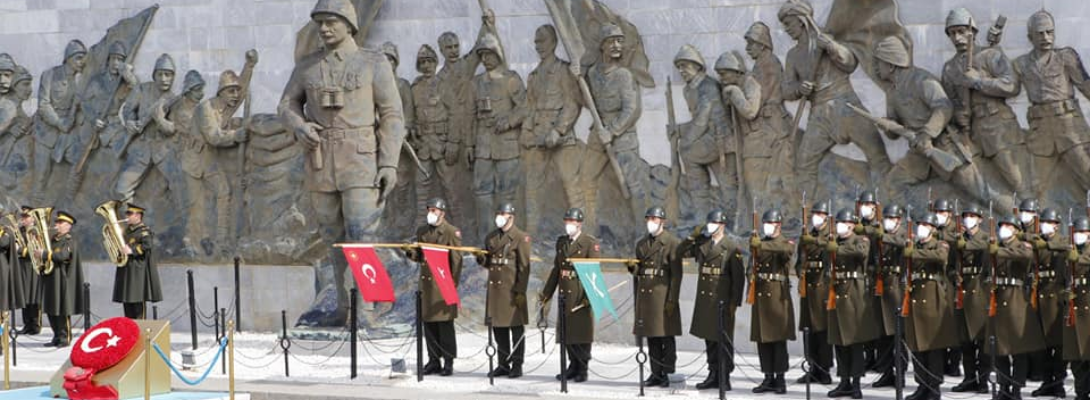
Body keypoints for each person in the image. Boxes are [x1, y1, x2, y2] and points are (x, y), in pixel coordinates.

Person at [279, 0, 406, 326]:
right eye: (319, 22)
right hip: (322, 161)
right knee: (334, 240)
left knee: (362, 235)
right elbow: (287, 104)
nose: (323, 28)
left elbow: (392, 115)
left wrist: (389, 163)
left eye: (330, 21)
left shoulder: (373, 63)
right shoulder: (308, 66)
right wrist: (299, 126)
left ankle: (366, 309)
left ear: (349, 24)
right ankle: (344, 307)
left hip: (361, 161)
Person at [779, 0, 892, 197]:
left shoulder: (829, 38)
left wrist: (831, 46)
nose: (786, 29)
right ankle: (804, 213)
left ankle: (889, 206)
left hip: (847, 104)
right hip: (820, 114)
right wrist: (799, 88)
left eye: (788, 23)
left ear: (801, 21)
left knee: (877, 155)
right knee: (804, 163)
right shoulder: (793, 55)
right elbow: (787, 90)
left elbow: (849, 63)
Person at [941, 8, 1029, 195]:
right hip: (971, 132)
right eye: (953, 33)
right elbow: (952, 102)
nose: (957, 38)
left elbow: (1012, 86)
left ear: (972, 31)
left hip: (998, 127)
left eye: (962, 31)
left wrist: (978, 81)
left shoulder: (990, 55)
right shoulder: (949, 68)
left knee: (1016, 181)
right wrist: (959, 118)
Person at [1013, 10, 1090, 197]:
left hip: (1069, 127)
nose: (1046, 37)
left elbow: (1086, 86)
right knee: (1035, 186)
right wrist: (978, 81)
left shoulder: (1065, 57)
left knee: (1086, 172)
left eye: (1050, 32)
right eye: (1040, 33)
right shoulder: (1021, 64)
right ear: (1030, 37)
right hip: (1040, 132)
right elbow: (1009, 89)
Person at [582, 24, 649, 231]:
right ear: (602, 46)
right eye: (611, 41)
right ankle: (589, 231)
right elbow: (586, 100)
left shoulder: (624, 75)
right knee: (586, 179)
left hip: (622, 137)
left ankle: (642, 233)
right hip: (598, 135)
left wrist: (612, 131)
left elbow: (631, 110)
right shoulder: (593, 73)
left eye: (620, 41)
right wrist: (577, 74)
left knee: (634, 187)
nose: (616, 45)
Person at [521, 24, 583, 236]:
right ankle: (532, 236)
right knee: (532, 188)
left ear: (554, 42)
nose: (539, 46)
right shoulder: (534, 76)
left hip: (562, 140)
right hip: (539, 139)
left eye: (543, 41)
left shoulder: (564, 70)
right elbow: (529, 108)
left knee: (571, 186)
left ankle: (580, 235)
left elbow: (573, 104)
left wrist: (558, 131)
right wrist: (527, 133)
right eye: (537, 42)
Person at [469, 32, 525, 241]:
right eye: (482, 55)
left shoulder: (511, 80)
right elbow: (470, 116)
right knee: (481, 193)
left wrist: (508, 121)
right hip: (483, 146)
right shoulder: (476, 83)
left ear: (498, 54)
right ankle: (485, 239)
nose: (485, 59)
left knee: (506, 194)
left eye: (489, 54)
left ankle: (508, 238)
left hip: (507, 146)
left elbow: (525, 107)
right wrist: (468, 145)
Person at [682, 209, 744, 391]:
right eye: (709, 222)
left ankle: (724, 376)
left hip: (722, 301)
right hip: (706, 301)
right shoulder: (703, 244)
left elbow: (738, 279)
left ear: (722, 225)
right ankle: (713, 374)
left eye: (714, 223)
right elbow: (680, 253)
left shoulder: (731, 248)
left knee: (723, 340)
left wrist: (734, 303)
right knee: (709, 338)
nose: (711, 226)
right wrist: (692, 237)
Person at [988, 215, 1046, 400]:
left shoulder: (1022, 245)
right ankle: (1003, 386)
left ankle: (1016, 389)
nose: (1004, 228)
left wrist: (999, 252)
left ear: (1015, 229)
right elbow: (984, 271)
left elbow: (1026, 256)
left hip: (1016, 300)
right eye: (1002, 225)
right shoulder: (993, 246)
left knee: (1018, 350)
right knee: (999, 350)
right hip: (997, 299)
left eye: (1008, 226)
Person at [540, 208, 601, 383]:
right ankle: (572, 366)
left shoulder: (589, 243)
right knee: (567, 333)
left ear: (579, 224)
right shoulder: (562, 242)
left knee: (581, 333)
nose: (568, 225)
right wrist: (547, 293)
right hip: (565, 292)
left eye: (571, 222)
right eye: (566, 221)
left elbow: (593, 272)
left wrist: (589, 297)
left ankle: (583, 368)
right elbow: (557, 269)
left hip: (581, 292)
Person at [903, 213, 960, 400]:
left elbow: (940, 258)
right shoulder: (914, 245)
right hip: (916, 297)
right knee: (918, 345)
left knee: (933, 346)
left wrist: (914, 253)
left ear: (933, 229)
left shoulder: (940, 244)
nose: (922, 228)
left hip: (933, 297)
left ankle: (934, 387)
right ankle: (922, 385)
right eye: (920, 224)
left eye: (925, 225)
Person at [674, 45, 735, 217]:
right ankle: (702, 216)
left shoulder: (707, 86)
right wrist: (679, 129)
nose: (681, 70)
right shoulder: (689, 89)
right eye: (679, 67)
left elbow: (702, 120)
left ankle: (731, 220)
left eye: (685, 65)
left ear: (697, 66)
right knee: (726, 184)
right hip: (709, 139)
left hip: (721, 139)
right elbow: (698, 121)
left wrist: (685, 140)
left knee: (727, 184)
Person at [407, 198, 463, 376]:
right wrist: (410, 251)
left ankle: (448, 361)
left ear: (442, 212)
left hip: (443, 285)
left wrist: (452, 285)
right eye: (429, 209)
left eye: (434, 210)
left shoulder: (451, 232)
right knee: (429, 325)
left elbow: (456, 261)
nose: (431, 213)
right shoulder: (422, 231)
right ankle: (433, 360)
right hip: (427, 286)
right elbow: (420, 256)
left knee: (445, 325)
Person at [824, 209, 877, 399]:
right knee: (839, 341)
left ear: (852, 225)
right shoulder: (833, 242)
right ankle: (844, 381)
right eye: (838, 221)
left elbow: (861, 253)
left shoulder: (861, 240)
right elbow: (826, 265)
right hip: (836, 292)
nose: (840, 225)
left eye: (844, 222)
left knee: (854, 342)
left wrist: (836, 249)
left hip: (854, 293)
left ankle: (856, 384)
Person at [630, 206, 683, 387]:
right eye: (648, 219)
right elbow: (642, 270)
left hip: (663, 296)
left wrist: (672, 300)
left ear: (662, 221)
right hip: (647, 299)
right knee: (652, 337)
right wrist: (633, 269)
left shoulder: (672, 243)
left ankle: (668, 373)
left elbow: (677, 275)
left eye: (654, 219)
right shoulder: (642, 244)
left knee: (666, 337)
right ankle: (655, 373)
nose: (651, 222)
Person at [476, 202, 531, 379]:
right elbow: (489, 263)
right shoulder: (491, 237)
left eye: (503, 213)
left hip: (512, 289)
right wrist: (481, 258)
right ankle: (503, 363)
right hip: (496, 291)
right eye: (498, 213)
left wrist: (520, 291)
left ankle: (517, 364)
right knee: (498, 329)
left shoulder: (521, 237)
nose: (499, 216)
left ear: (511, 217)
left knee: (516, 329)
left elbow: (524, 267)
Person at [31, 40, 86, 204]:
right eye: (78, 57)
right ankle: (34, 215)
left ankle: (68, 203)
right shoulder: (50, 74)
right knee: (41, 175)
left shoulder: (81, 80)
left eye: (83, 58)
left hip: (68, 132)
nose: (81, 62)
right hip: (46, 132)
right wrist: (59, 122)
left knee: (79, 162)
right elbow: (43, 104)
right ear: (68, 58)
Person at [749, 208, 798, 394]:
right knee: (763, 340)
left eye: (771, 223)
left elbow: (786, 251)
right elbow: (750, 266)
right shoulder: (759, 242)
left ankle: (780, 378)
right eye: (766, 223)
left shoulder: (785, 242)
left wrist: (759, 246)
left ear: (778, 225)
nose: (767, 226)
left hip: (778, 297)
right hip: (761, 295)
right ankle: (767, 377)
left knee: (778, 340)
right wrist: (750, 284)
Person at [951, 206, 993, 394]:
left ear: (980, 219)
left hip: (980, 291)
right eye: (966, 216)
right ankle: (969, 379)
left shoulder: (985, 238)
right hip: (962, 291)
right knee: (965, 342)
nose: (968, 219)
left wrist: (962, 244)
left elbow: (986, 249)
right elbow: (951, 265)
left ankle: (983, 380)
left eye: (972, 216)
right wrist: (954, 275)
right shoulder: (958, 240)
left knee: (982, 341)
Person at [1030, 209, 1071, 397]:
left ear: (1056, 225)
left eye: (1049, 222)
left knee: (1060, 346)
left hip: (1057, 298)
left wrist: (1044, 245)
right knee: (1043, 347)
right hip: (1039, 297)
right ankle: (1046, 382)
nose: (1045, 225)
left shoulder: (1062, 241)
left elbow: (1065, 247)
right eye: (1043, 221)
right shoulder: (1036, 241)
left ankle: (1059, 383)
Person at [798, 200, 834, 384]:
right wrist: (800, 273)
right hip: (809, 286)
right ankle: (812, 367)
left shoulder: (830, 234)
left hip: (822, 285)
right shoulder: (807, 235)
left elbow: (830, 248)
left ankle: (825, 369)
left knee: (823, 330)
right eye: (815, 214)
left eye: (820, 214)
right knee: (808, 330)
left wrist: (812, 240)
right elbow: (799, 260)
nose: (816, 217)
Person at [37, 210, 85, 347]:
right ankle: (56, 336)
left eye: (60, 223)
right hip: (51, 278)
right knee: (52, 308)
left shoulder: (69, 241)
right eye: (57, 222)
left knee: (62, 310)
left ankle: (65, 337)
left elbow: (62, 256)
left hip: (63, 279)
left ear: (68, 225)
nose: (57, 225)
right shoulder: (52, 240)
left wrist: (45, 254)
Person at [873, 204, 907, 387]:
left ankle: (900, 374)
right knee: (883, 337)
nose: (888, 221)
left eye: (891, 218)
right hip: (882, 287)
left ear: (898, 220)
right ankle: (886, 373)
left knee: (898, 336)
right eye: (886, 217)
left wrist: (884, 237)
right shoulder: (878, 237)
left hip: (897, 288)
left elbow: (905, 244)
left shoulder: (904, 233)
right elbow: (871, 259)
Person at [112, 203, 162, 319]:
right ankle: (130, 333)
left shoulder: (144, 231)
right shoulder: (127, 231)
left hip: (138, 271)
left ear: (138, 216)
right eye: (127, 213)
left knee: (138, 304)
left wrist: (131, 250)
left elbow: (147, 245)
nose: (127, 216)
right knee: (127, 303)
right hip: (126, 270)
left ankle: (140, 333)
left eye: (130, 214)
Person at [1064, 217, 1090, 400]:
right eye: (1077, 232)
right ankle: (1081, 392)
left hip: (1088, 305)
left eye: (1083, 232)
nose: (1080, 235)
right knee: (1076, 356)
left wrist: (1080, 258)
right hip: (1074, 306)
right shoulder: (1070, 252)